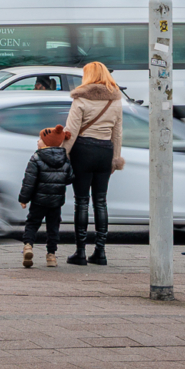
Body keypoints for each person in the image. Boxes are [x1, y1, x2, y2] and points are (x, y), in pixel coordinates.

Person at [62, 61, 125, 266]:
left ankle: (80, 252)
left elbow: (70, 133)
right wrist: (115, 159)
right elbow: (117, 133)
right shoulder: (115, 101)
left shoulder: (80, 99)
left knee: (81, 201)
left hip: (83, 151)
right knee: (101, 201)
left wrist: (62, 155)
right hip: (105, 152)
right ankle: (101, 251)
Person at [18, 125, 71, 269]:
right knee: (53, 227)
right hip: (56, 202)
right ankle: (51, 256)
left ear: (46, 142)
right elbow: (70, 178)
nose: (37, 141)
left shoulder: (36, 158)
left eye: (40, 139)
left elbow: (29, 181)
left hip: (38, 201)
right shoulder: (65, 159)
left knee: (33, 223)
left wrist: (23, 199)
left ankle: (28, 246)